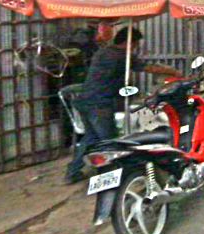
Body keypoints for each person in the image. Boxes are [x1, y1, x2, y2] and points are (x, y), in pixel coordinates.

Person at [65, 27, 182, 184]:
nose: (135, 48)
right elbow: (148, 68)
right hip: (99, 103)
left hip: (85, 100)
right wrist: (173, 72)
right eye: (135, 44)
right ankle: (112, 178)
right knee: (110, 142)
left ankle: (72, 172)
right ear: (129, 42)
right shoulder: (122, 56)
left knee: (90, 138)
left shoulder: (103, 52)